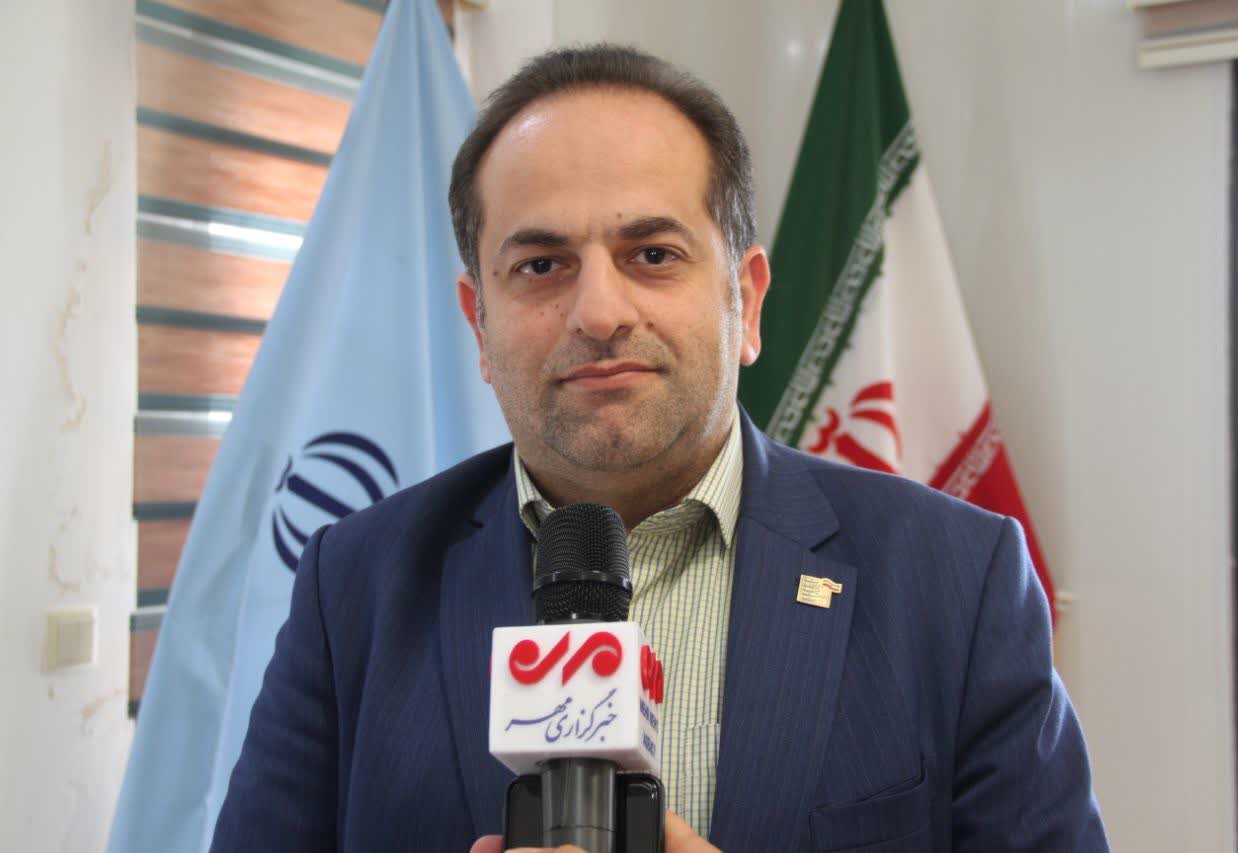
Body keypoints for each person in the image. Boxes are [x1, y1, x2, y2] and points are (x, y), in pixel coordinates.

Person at [212, 44, 1108, 852]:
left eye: (651, 254)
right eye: (540, 265)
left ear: (747, 303)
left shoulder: (957, 580)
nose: (600, 312)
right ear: (478, 325)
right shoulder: (353, 586)